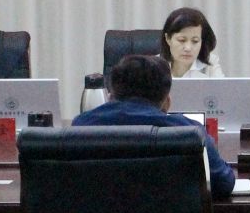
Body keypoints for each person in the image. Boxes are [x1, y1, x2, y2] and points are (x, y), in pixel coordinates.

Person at [73, 52, 238, 198]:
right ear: (167, 103)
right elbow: (223, 183)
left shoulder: (82, 126)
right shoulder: (189, 133)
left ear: (110, 96)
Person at [160, 7, 224, 79]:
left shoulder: (210, 64)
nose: (188, 48)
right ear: (168, 39)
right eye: (182, 40)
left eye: (195, 41)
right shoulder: (153, 65)